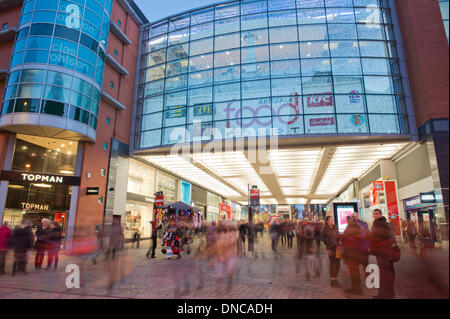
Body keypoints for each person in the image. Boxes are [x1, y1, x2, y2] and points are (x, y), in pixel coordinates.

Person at [370, 208, 397, 299]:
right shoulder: (376, 225)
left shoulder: (382, 225)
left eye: (377, 213)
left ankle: (384, 294)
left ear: (381, 214)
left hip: (384, 253)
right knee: (386, 273)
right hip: (381, 252)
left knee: (384, 273)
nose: (375, 215)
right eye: (374, 214)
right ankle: (387, 293)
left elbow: (391, 238)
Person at [342, 218, 366, 295]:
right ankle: (355, 288)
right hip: (355, 253)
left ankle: (357, 290)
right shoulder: (358, 228)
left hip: (352, 253)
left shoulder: (352, 228)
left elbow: (345, 238)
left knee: (354, 272)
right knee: (354, 272)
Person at [321, 216, 342, 288]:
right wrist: (328, 248)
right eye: (331, 219)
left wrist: (339, 240)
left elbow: (337, 236)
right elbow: (323, 238)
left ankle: (336, 279)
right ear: (327, 221)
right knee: (332, 263)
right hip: (331, 248)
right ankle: (332, 281)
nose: (333, 220)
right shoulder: (325, 229)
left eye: (333, 219)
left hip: (337, 247)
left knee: (338, 263)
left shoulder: (335, 227)